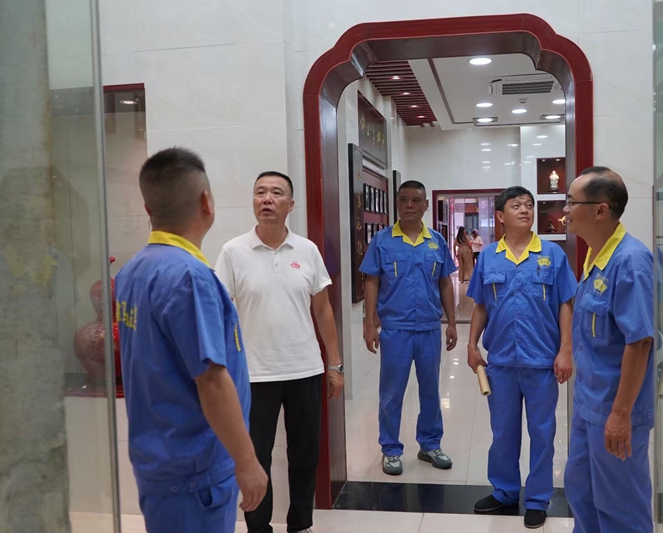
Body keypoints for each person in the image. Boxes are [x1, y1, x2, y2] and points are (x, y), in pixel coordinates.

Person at [115, 147, 268, 533]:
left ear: (148, 209)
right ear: (206, 202)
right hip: (195, 473)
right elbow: (211, 381)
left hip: (160, 461)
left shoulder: (133, 271)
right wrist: (247, 461)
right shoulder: (190, 278)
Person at [215, 171, 344, 533]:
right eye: (260, 192)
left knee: (305, 454)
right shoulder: (233, 251)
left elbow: (323, 310)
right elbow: (219, 312)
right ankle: (258, 528)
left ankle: (300, 524)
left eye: (276, 193)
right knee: (255, 456)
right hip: (253, 374)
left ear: (291, 204)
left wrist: (334, 365)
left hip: (304, 369)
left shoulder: (307, 250)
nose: (267, 199)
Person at [466, 186, 577, 530]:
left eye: (529, 205)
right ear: (500, 216)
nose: (525, 210)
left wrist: (566, 350)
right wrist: (472, 345)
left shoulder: (552, 254)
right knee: (503, 432)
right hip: (500, 362)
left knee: (542, 433)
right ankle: (504, 491)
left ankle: (538, 498)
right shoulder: (489, 257)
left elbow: (566, 304)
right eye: (516, 206)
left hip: (541, 361)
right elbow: (480, 306)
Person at [562, 167, 655, 533]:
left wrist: (619, 415)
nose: (565, 210)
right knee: (582, 493)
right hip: (589, 404)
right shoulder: (596, 257)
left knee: (620, 508)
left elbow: (639, 342)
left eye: (571, 202)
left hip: (615, 409)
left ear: (600, 210)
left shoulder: (630, 261)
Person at [359, 180, 458, 475]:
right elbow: (372, 282)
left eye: (416, 200)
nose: (410, 205)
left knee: (431, 390)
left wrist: (452, 322)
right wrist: (369, 323)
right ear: (397, 204)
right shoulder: (382, 241)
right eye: (404, 200)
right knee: (391, 392)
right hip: (395, 329)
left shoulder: (436, 241)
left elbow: (445, 283)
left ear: (426, 205)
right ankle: (390, 449)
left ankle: (430, 444)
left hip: (428, 328)